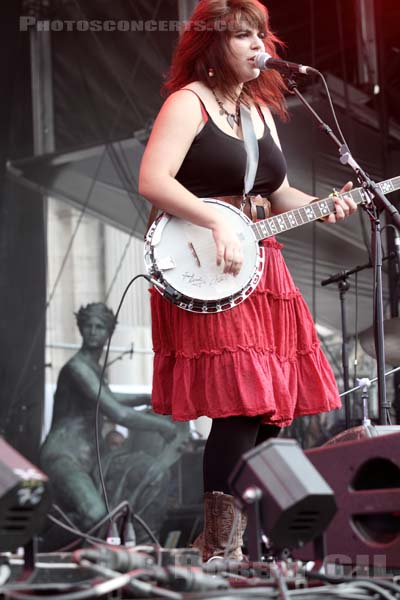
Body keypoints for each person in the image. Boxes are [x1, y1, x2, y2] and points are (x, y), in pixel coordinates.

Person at [138, 0, 357, 561]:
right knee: (241, 404)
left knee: (273, 410)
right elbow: (152, 179)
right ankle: (220, 548)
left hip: (264, 264)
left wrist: (328, 204)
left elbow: (279, 195)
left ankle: (238, 540)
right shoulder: (188, 103)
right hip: (210, 264)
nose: (260, 46)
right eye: (244, 37)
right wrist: (215, 219)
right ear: (214, 47)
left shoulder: (258, 114)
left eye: (261, 35)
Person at [40, 302, 176, 538]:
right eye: (88, 325)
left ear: (109, 333)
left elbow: (110, 397)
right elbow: (117, 412)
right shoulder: (77, 368)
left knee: (149, 473)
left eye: (100, 326)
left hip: (93, 459)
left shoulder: (93, 368)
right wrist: (163, 426)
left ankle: (138, 547)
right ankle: (48, 545)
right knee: (95, 516)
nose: (93, 330)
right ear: (81, 329)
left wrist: (148, 397)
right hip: (64, 457)